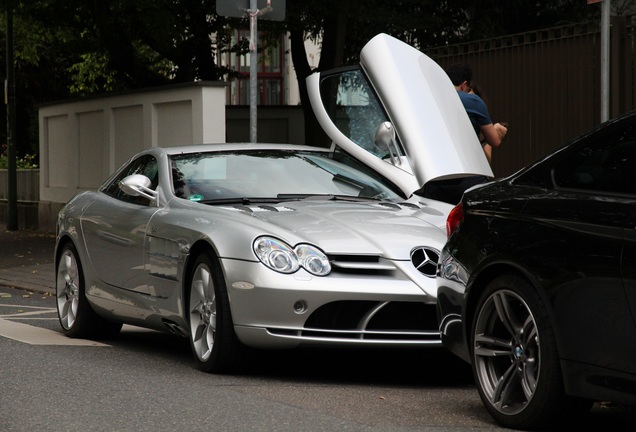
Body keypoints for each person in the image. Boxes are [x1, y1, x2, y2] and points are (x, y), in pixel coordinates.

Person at [417, 64, 507, 204]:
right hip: (468, 177)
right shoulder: (473, 101)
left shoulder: (427, 100)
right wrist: (498, 130)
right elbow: (494, 141)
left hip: (436, 177)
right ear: (465, 84)